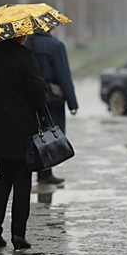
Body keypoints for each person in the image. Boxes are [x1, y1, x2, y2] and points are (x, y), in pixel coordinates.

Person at [0, 35, 48, 250]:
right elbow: (37, 90)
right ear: (19, 34)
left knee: (3, 179)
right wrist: (41, 108)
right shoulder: (24, 57)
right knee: (22, 182)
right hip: (23, 129)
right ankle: (18, 235)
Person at [25, 29, 79, 185]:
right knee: (49, 133)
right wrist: (72, 102)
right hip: (51, 98)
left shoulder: (26, 43)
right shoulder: (55, 45)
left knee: (33, 133)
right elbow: (63, 74)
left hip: (29, 96)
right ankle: (45, 172)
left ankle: (34, 169)